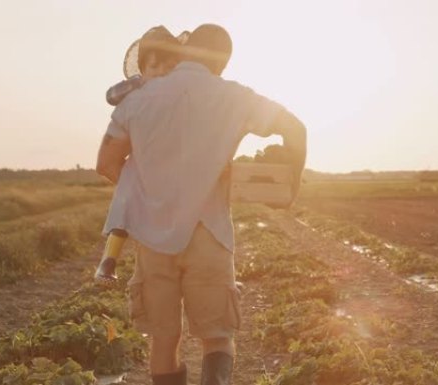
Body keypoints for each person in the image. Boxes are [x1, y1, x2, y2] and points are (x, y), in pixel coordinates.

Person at [95, 23, 307, 385]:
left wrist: (153, 193)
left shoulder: (139, 96)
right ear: (223, 62)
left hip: (152, 238)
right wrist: (291, 185)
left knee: (164, 339)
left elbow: (107, 163)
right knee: (218, 336)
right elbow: (295, 129)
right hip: (209, 233)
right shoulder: (236, 96)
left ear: (188, 49)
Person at [94, 26, 183, 286]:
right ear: (142, 69)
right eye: (153, 68)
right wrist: (138, 82)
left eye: (168, 68)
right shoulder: (135, 92)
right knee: (127, 191)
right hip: (142, 162)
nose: (160, 73)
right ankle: (109, 260)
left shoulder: (182, 96)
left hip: (174, 163)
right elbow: (111, 95)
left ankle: (207, 269)